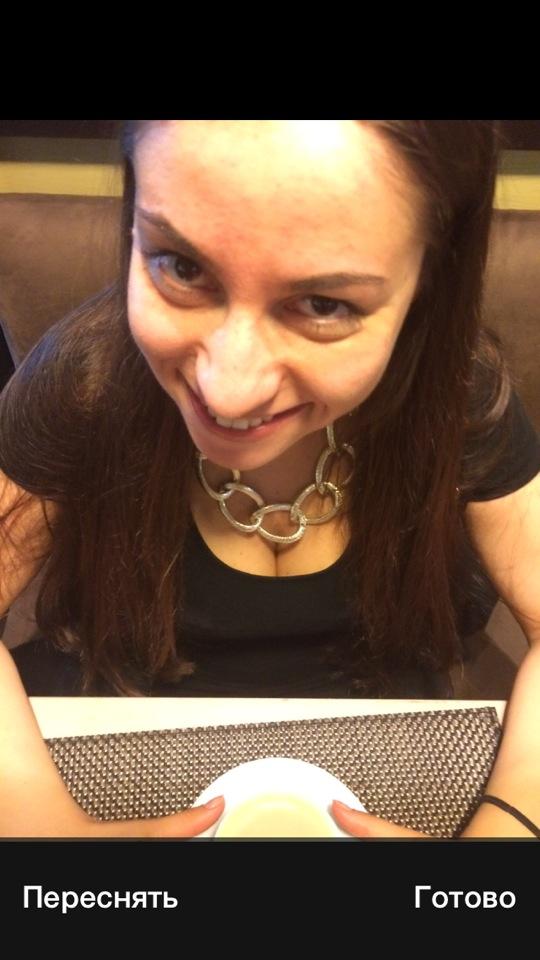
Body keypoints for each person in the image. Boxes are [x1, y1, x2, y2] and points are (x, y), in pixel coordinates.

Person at [1, 120, 539, 839]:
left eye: (324, 305)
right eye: (180, 267)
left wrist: (511, 827)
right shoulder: (84, 382)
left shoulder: (458, 397)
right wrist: (33, 818)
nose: (228, 390)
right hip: (114, 732)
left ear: (427, 288)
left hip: (397, 744)